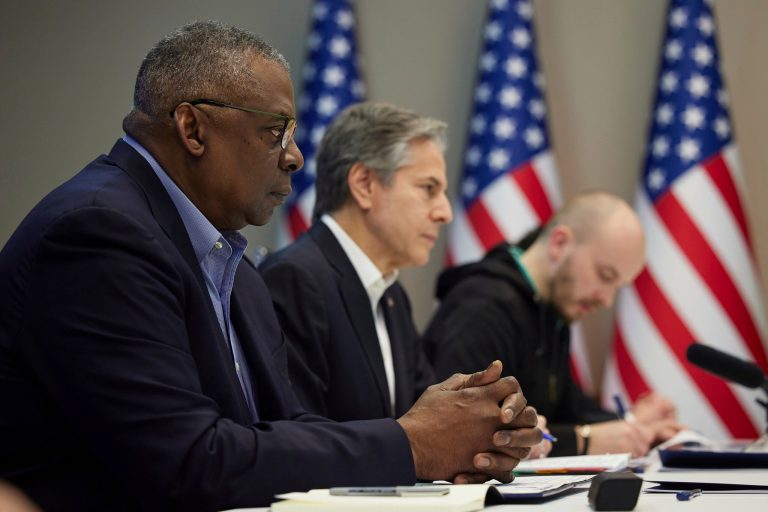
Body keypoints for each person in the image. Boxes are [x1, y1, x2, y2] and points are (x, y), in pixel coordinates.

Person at [0, 21, 541, 512]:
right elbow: (189, 462)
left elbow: (281, 427)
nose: (295, 156)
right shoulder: (99, 234)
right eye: (274, 131)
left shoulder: (227, 255)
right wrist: (414, 443)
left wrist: (455, 436)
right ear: (192, 129)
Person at [424, 191, 681, 457]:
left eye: (617, 286)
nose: (606, 300)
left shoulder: (550, 311)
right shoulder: (481, 306)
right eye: (605, 276)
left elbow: (567, 408)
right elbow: (464, 429)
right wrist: (584, 441)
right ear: (559, 243)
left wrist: (631, 424)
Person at [259, 102, 446, 421]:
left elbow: (426, 419)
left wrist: (491, 429)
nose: (445, 212)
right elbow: (300, 436)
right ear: (364, 184)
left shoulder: (392, 296)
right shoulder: (294, 280)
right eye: (428, 189)